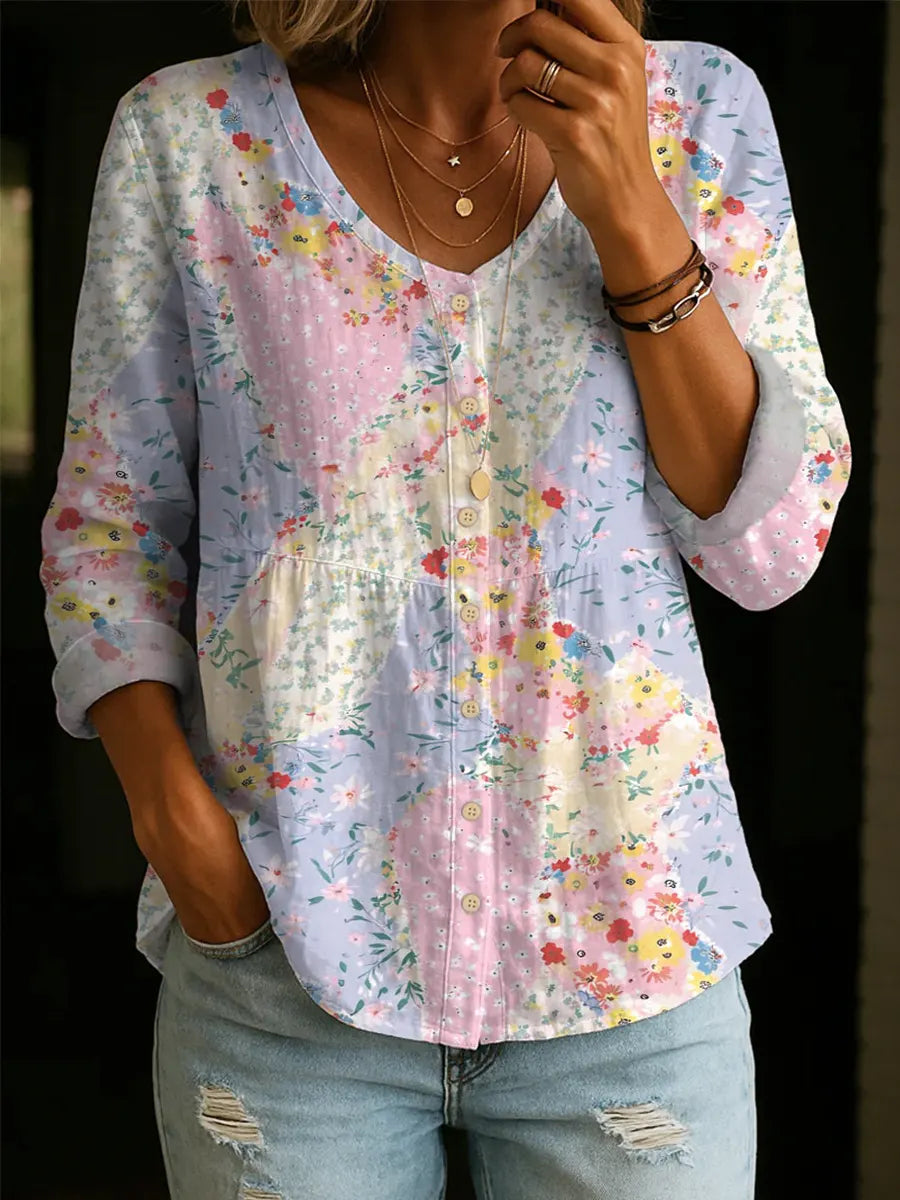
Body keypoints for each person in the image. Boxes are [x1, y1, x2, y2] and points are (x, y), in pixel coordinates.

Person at [38, 1, 851, 1196]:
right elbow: (111, 528)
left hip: (632, 964)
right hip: (287, 965)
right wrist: (179, 829)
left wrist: (629, 202)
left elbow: (770, 550)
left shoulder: (699, 111)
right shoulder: (190, 136)